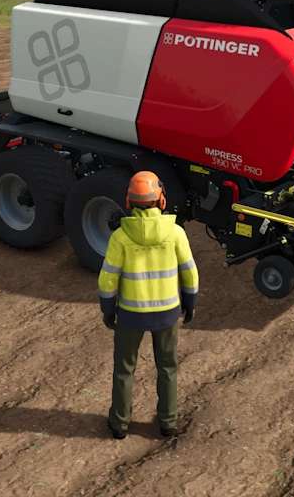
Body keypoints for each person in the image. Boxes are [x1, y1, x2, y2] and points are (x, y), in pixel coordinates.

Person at [98, 171, 199, 440]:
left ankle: (119, 423)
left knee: (124, 370)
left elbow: (107, 278)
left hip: (130, 315)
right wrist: (190, 303)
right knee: (167, 368)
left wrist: (108, 309)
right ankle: (168, 422)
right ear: (161, 200)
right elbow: (190, 272)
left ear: (128, 201)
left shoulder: (120, 237)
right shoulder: (176, 233)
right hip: (167, 314)